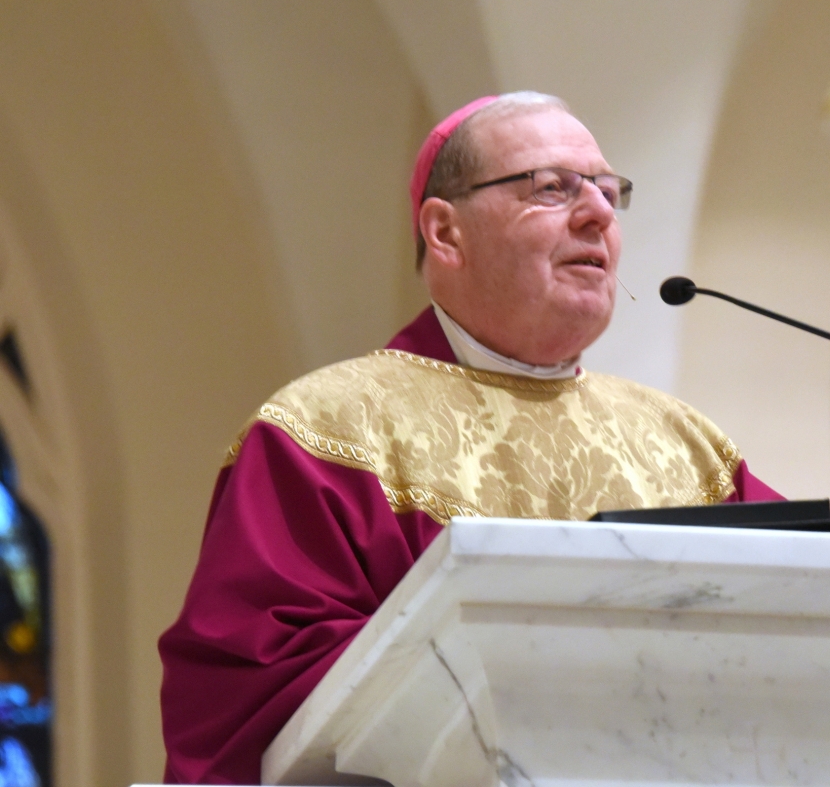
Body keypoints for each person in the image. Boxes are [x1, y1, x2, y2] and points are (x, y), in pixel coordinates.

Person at [158, 92, 784, 784]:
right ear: (445, 232)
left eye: (609, 191)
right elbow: (252, 692)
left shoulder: (688, 446)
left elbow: (806, 629)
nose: (599, 213)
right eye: (553, 189)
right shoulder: (327, 431)